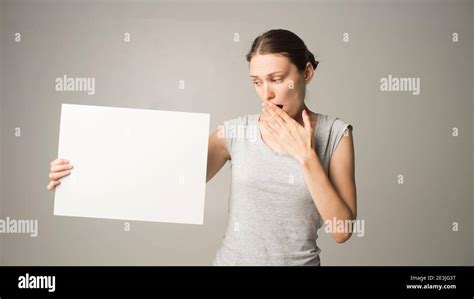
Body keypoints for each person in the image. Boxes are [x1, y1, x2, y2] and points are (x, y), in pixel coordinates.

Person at [47, 29, 357, 266]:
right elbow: (163, 178)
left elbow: (341, 230)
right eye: (256, 82)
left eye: (276, 79)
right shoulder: (235, 132)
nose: (266, 93)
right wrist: (79, 172)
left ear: (306, 73)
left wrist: (305, 156)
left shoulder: (336, 134)